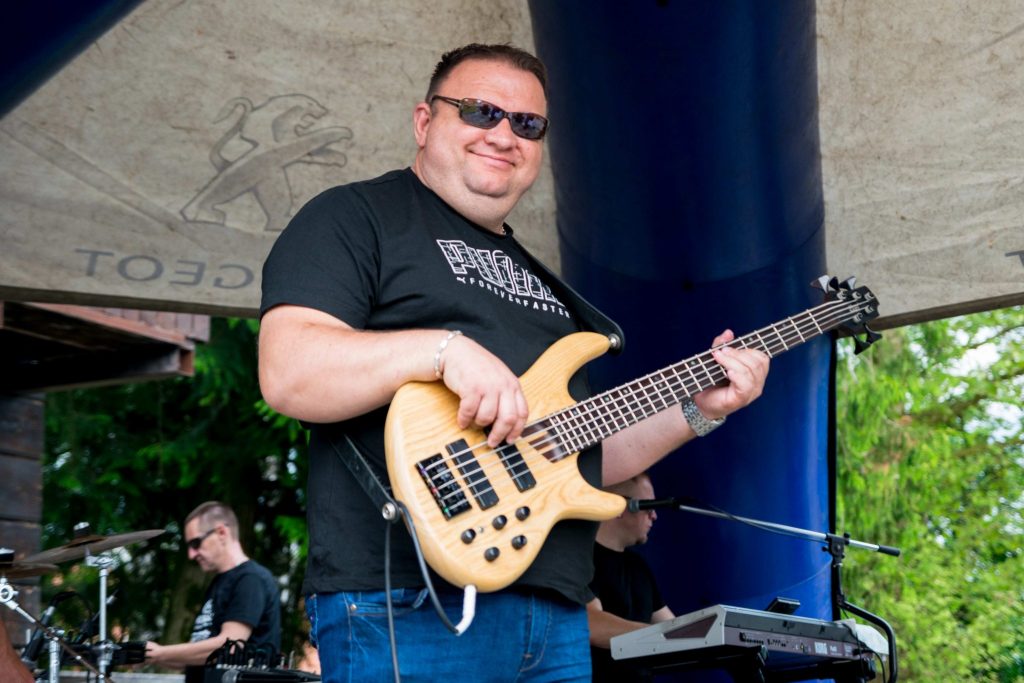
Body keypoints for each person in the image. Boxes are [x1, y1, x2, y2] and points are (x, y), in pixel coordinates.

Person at [258, 42, 770, 682]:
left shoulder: (551, 293)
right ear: (424, 121)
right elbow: (289, 372)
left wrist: (698, 411)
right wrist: (443, 350)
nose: (504, 134)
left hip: (556, 618)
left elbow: (580, 454)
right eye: (480, 111)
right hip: (409, 602)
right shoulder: (357, 216)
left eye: (527, 124)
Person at [144, 501, 281, 674]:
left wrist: (160, 653)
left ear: (222, 533)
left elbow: (230, 647)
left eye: (196, 543)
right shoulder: (219, 582)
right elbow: (201, 658)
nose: (191, 554)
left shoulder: (250, 579)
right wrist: (150, 657)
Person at [588, 473, 675, 683]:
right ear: (618, 507)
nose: (654, 516)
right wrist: (659, 635)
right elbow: (592, 624)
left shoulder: (639, 566)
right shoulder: (581, 559)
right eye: (648, 506)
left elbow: (672, 626)